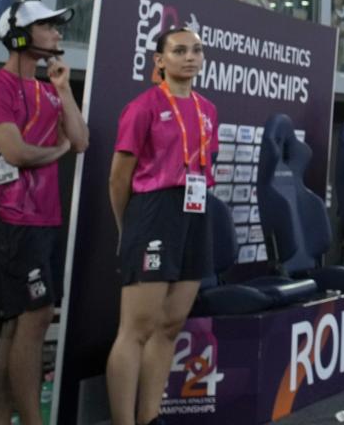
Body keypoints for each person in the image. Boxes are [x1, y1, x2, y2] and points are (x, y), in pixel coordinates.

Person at [0, 0, 85, 425]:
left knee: (14, 323)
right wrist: (57, 149)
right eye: (47, 26)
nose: (58, 33)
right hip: (11, 220)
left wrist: (63, 89)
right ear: (20, 37)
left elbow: (80, 139)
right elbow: (16, 152)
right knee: (35, 315)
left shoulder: (45, 88)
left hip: (42, 219)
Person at [106, 26, 217, 425]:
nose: (190, 57)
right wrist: (128, 226)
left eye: (197, 51)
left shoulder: (208, 110)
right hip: (152, 210)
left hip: (195, 210)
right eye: (179, 50)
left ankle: (149, 416)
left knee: (170, 324)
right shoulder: (144, 107)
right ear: (160, 60)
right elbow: (119, 178)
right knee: (136, 328)